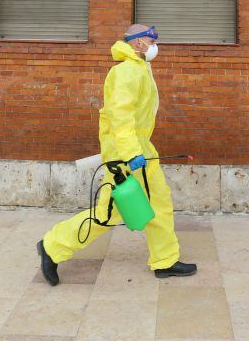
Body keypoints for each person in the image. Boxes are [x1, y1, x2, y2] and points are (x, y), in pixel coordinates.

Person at [37, 23, 196, 285]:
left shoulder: (140, 67)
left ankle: (165, 260)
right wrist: (131, 153)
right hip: (124, 157)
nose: (155, 46)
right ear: (138, 43)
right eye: (151, 41)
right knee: (108, 214)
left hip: (142, 151)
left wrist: (139, 150)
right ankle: (53, 246)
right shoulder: (125, 72)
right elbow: (120, 116)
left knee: (160, 204)